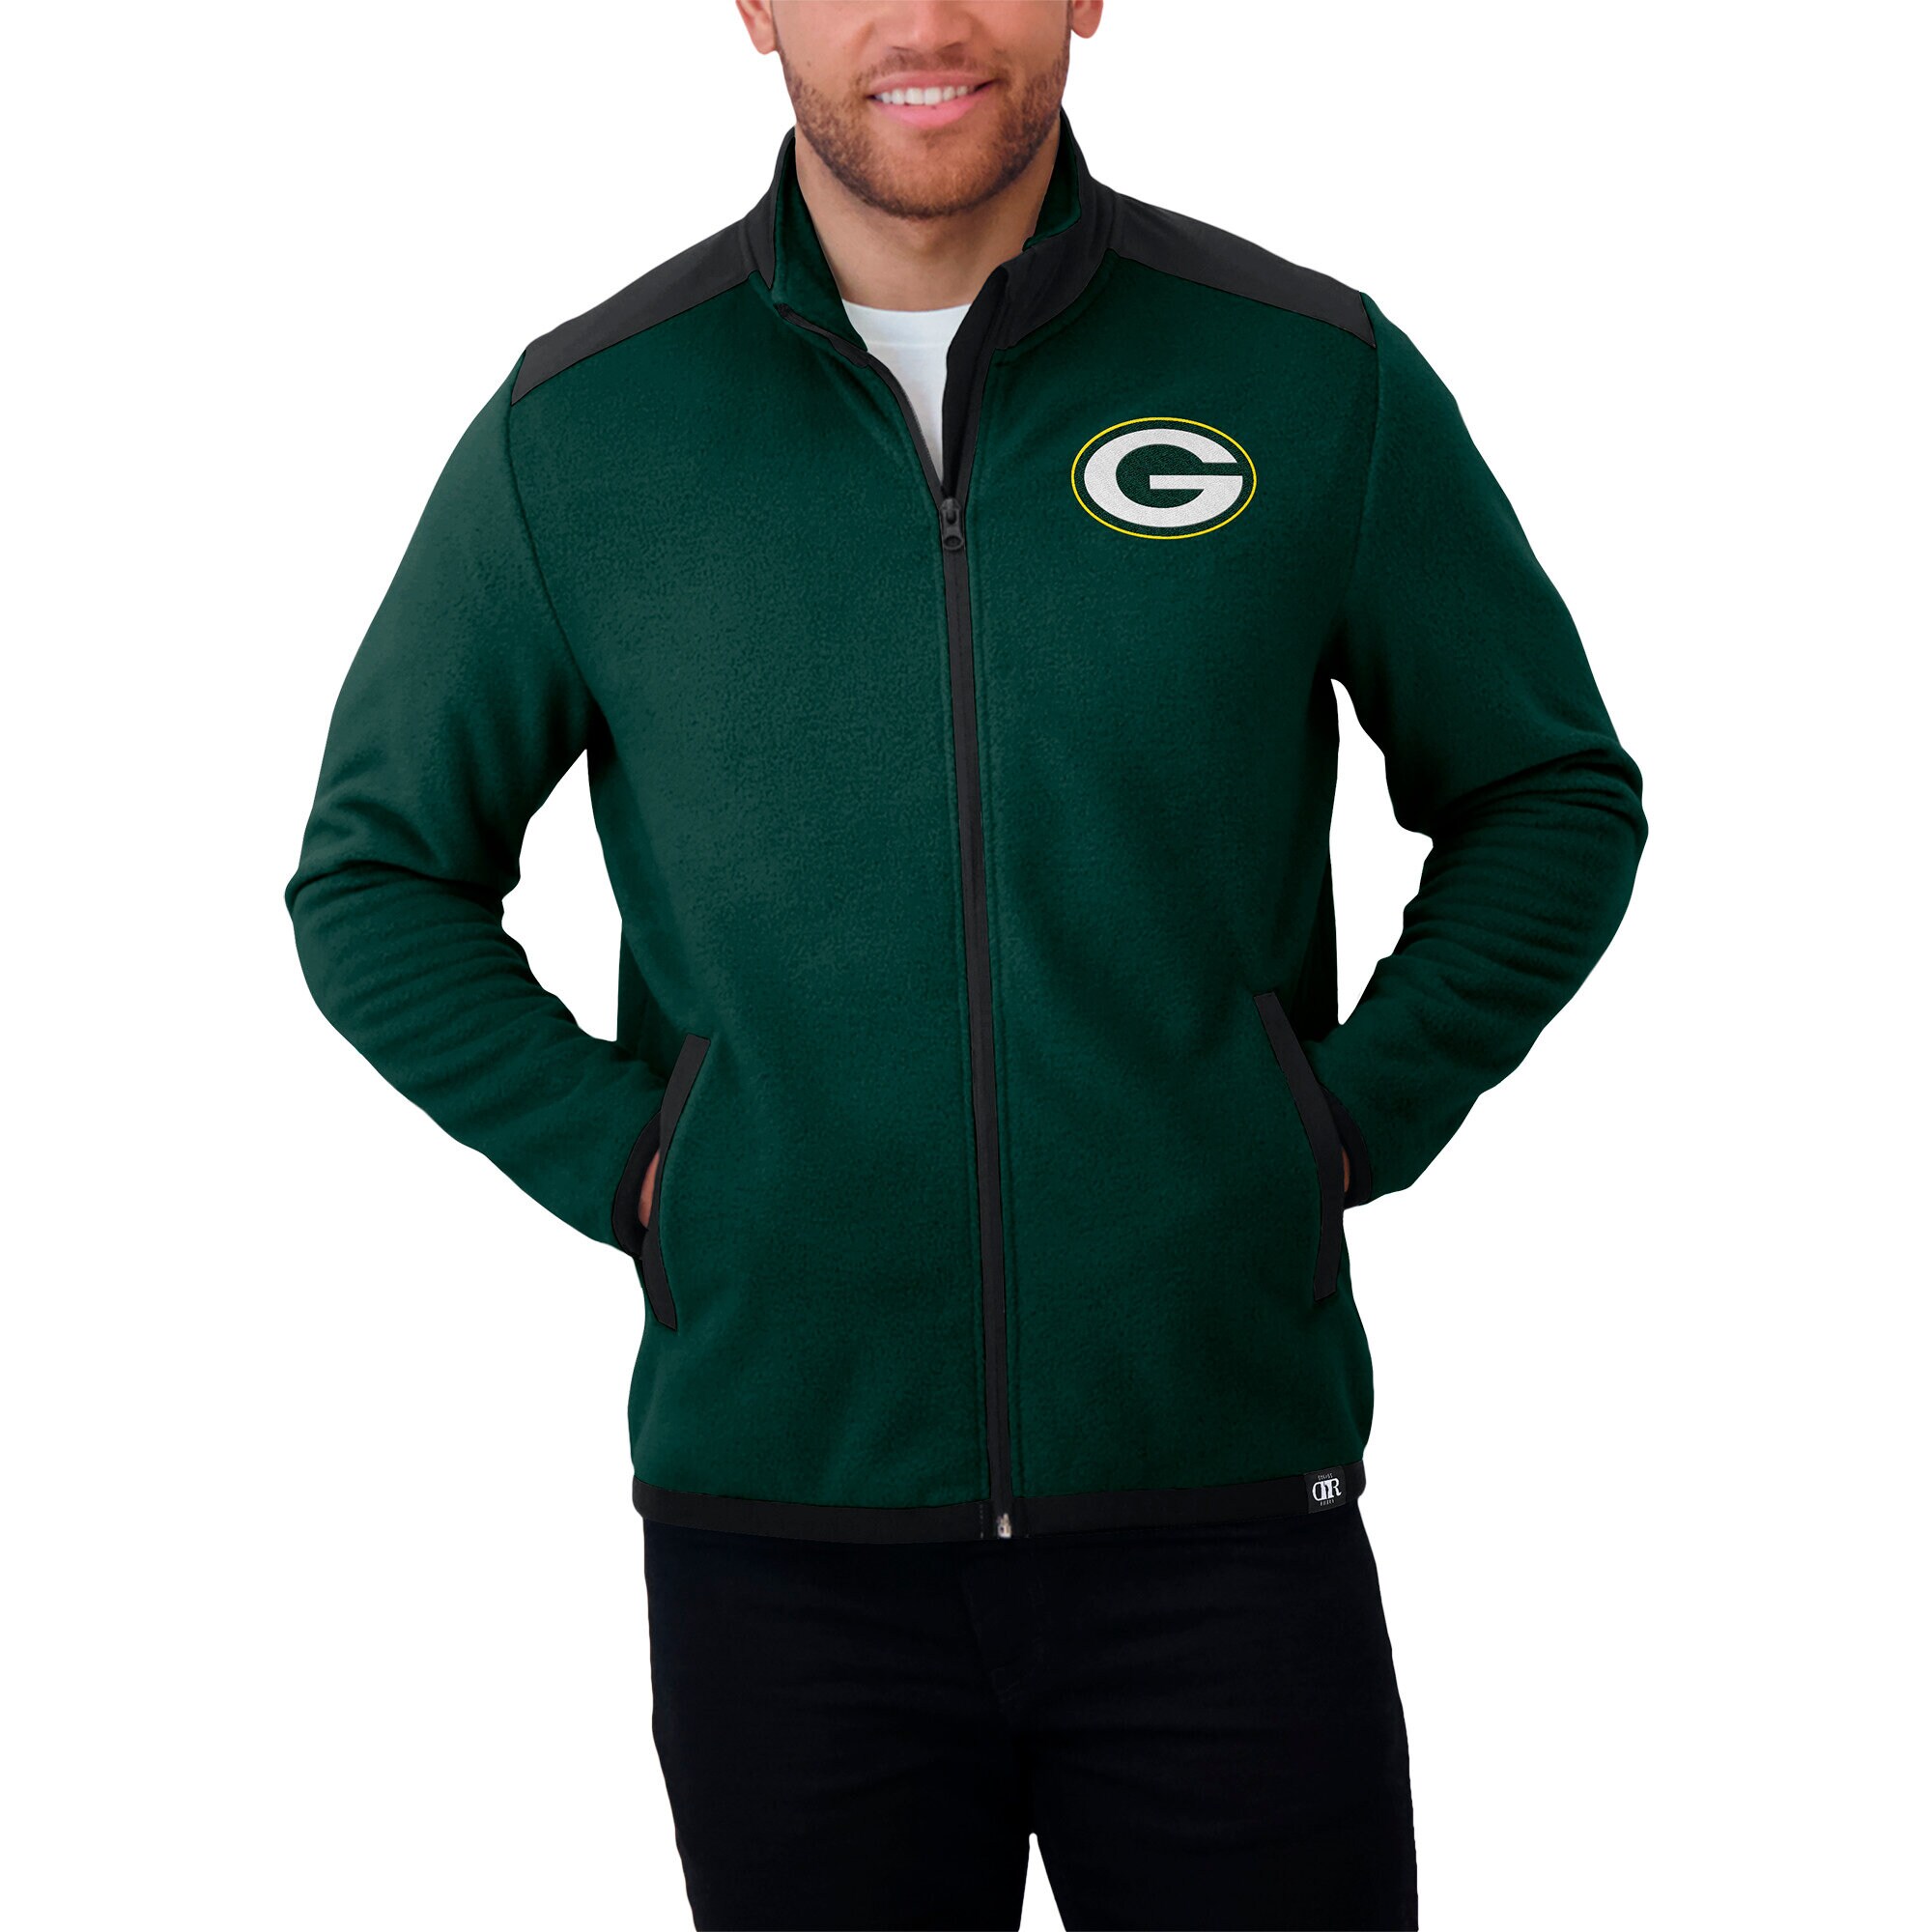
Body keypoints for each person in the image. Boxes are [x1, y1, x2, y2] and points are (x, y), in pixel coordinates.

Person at [284, 2, 1645, 1923]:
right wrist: (645, 1163)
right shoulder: (587, 427)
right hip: (784, 1542)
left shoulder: (1301, 372)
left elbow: (1546, 791)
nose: (923, 20)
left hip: (1222, 1515)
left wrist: (1332, 1123)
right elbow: (376, 877)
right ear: (753, 5)